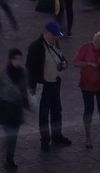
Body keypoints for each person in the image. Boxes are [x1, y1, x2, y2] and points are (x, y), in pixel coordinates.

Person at [25, 21, 72, 151]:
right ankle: (45, 140)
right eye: (54, 35)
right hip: (43, 85)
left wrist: (64, 64)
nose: (55, 38)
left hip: (55, 84)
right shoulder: (36, 46)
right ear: (47, 33)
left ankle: (57, 136)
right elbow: (30, 68)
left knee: (57, 111)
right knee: (44, 114)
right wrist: (32, 87)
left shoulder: (54, 43)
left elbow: (61, 57)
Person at [0, 47, 31, 170]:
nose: (18, 61)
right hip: (4, 107)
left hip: (16, 108)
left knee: (13, 135)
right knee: (10, 134)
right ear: (10, 59)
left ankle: (9, 155)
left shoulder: (24, 72)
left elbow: (24, 91)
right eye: (16, 59)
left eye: (20, 59)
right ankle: (9, 157)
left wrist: (28, 107)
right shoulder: (3, 72)